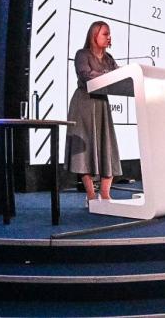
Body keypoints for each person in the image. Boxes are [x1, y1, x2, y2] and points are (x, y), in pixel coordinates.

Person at [64, 21, 122, 205]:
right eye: (105, 33)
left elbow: (119, 76)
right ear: (93, 35)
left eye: (109, 34)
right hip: (84, 103)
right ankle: (90, 196)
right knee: (86, 150)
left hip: (102, 103)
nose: (109, 37)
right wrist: (108, 74)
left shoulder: (109, 58)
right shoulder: (82, 54)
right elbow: (86, 75)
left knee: (107, 146)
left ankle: (105, 194)